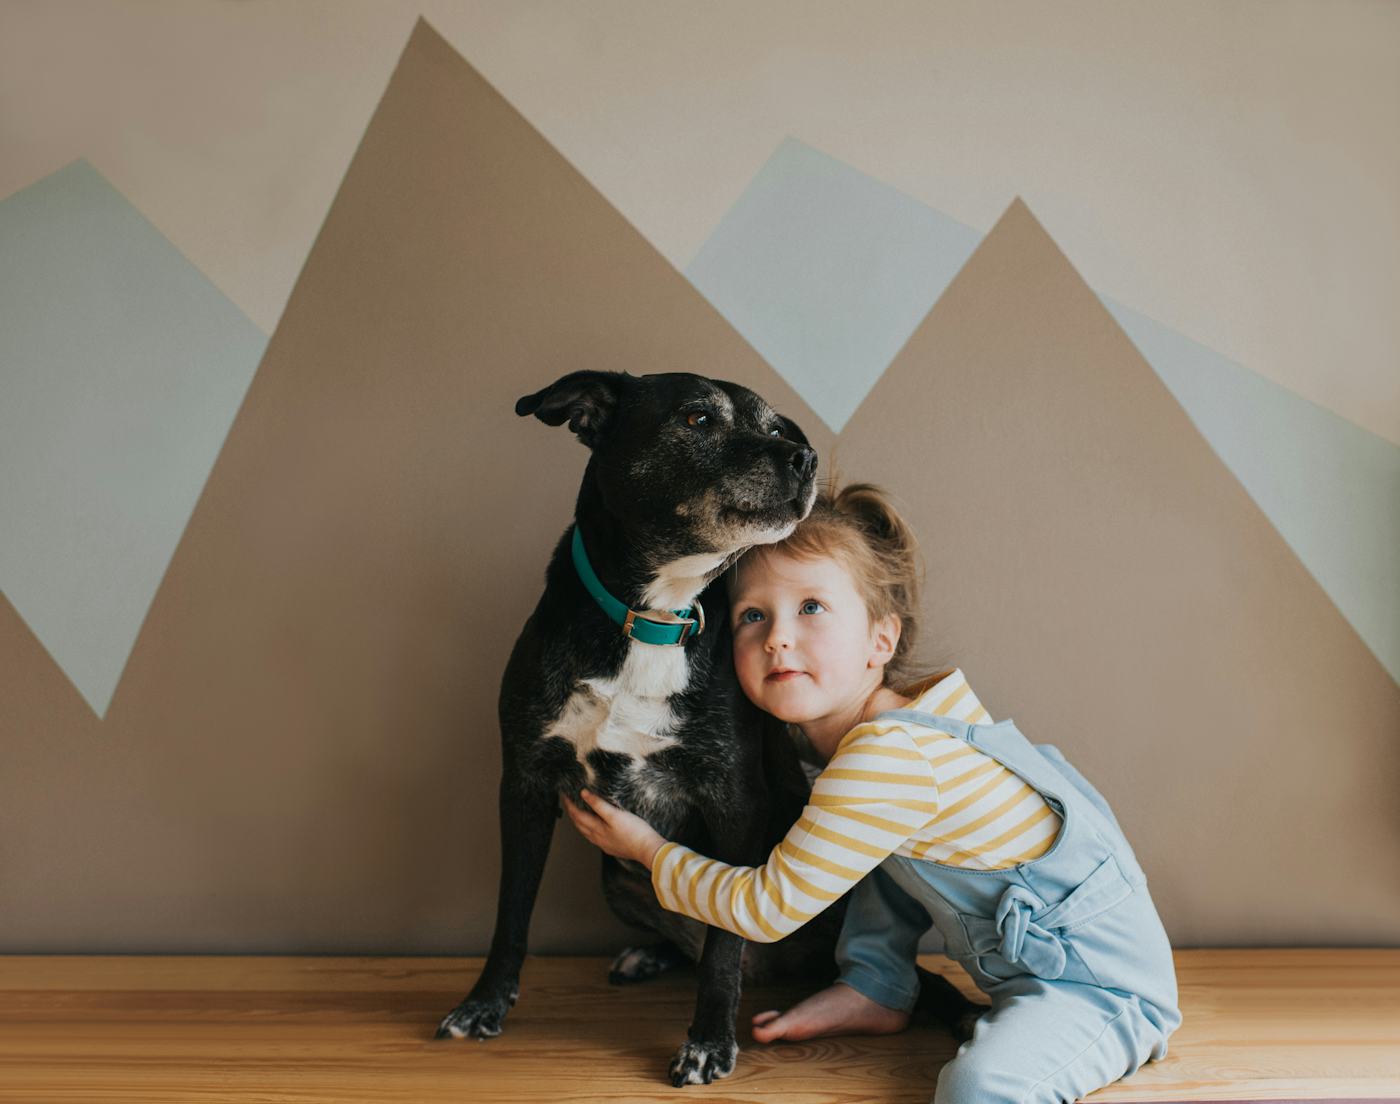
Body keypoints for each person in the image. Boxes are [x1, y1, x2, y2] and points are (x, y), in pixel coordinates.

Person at [565, 479, 1182, 1102]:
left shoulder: (889, 759)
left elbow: (765, 909)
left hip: (1101, 989)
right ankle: (876, 986)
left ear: (880, 641)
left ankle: (899, 995)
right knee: (881, 851)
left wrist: (646, 850)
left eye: (811, 608)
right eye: (754, 615)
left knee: (979, 1088)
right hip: (1040, 965)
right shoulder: (910, 722)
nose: (777, 637)